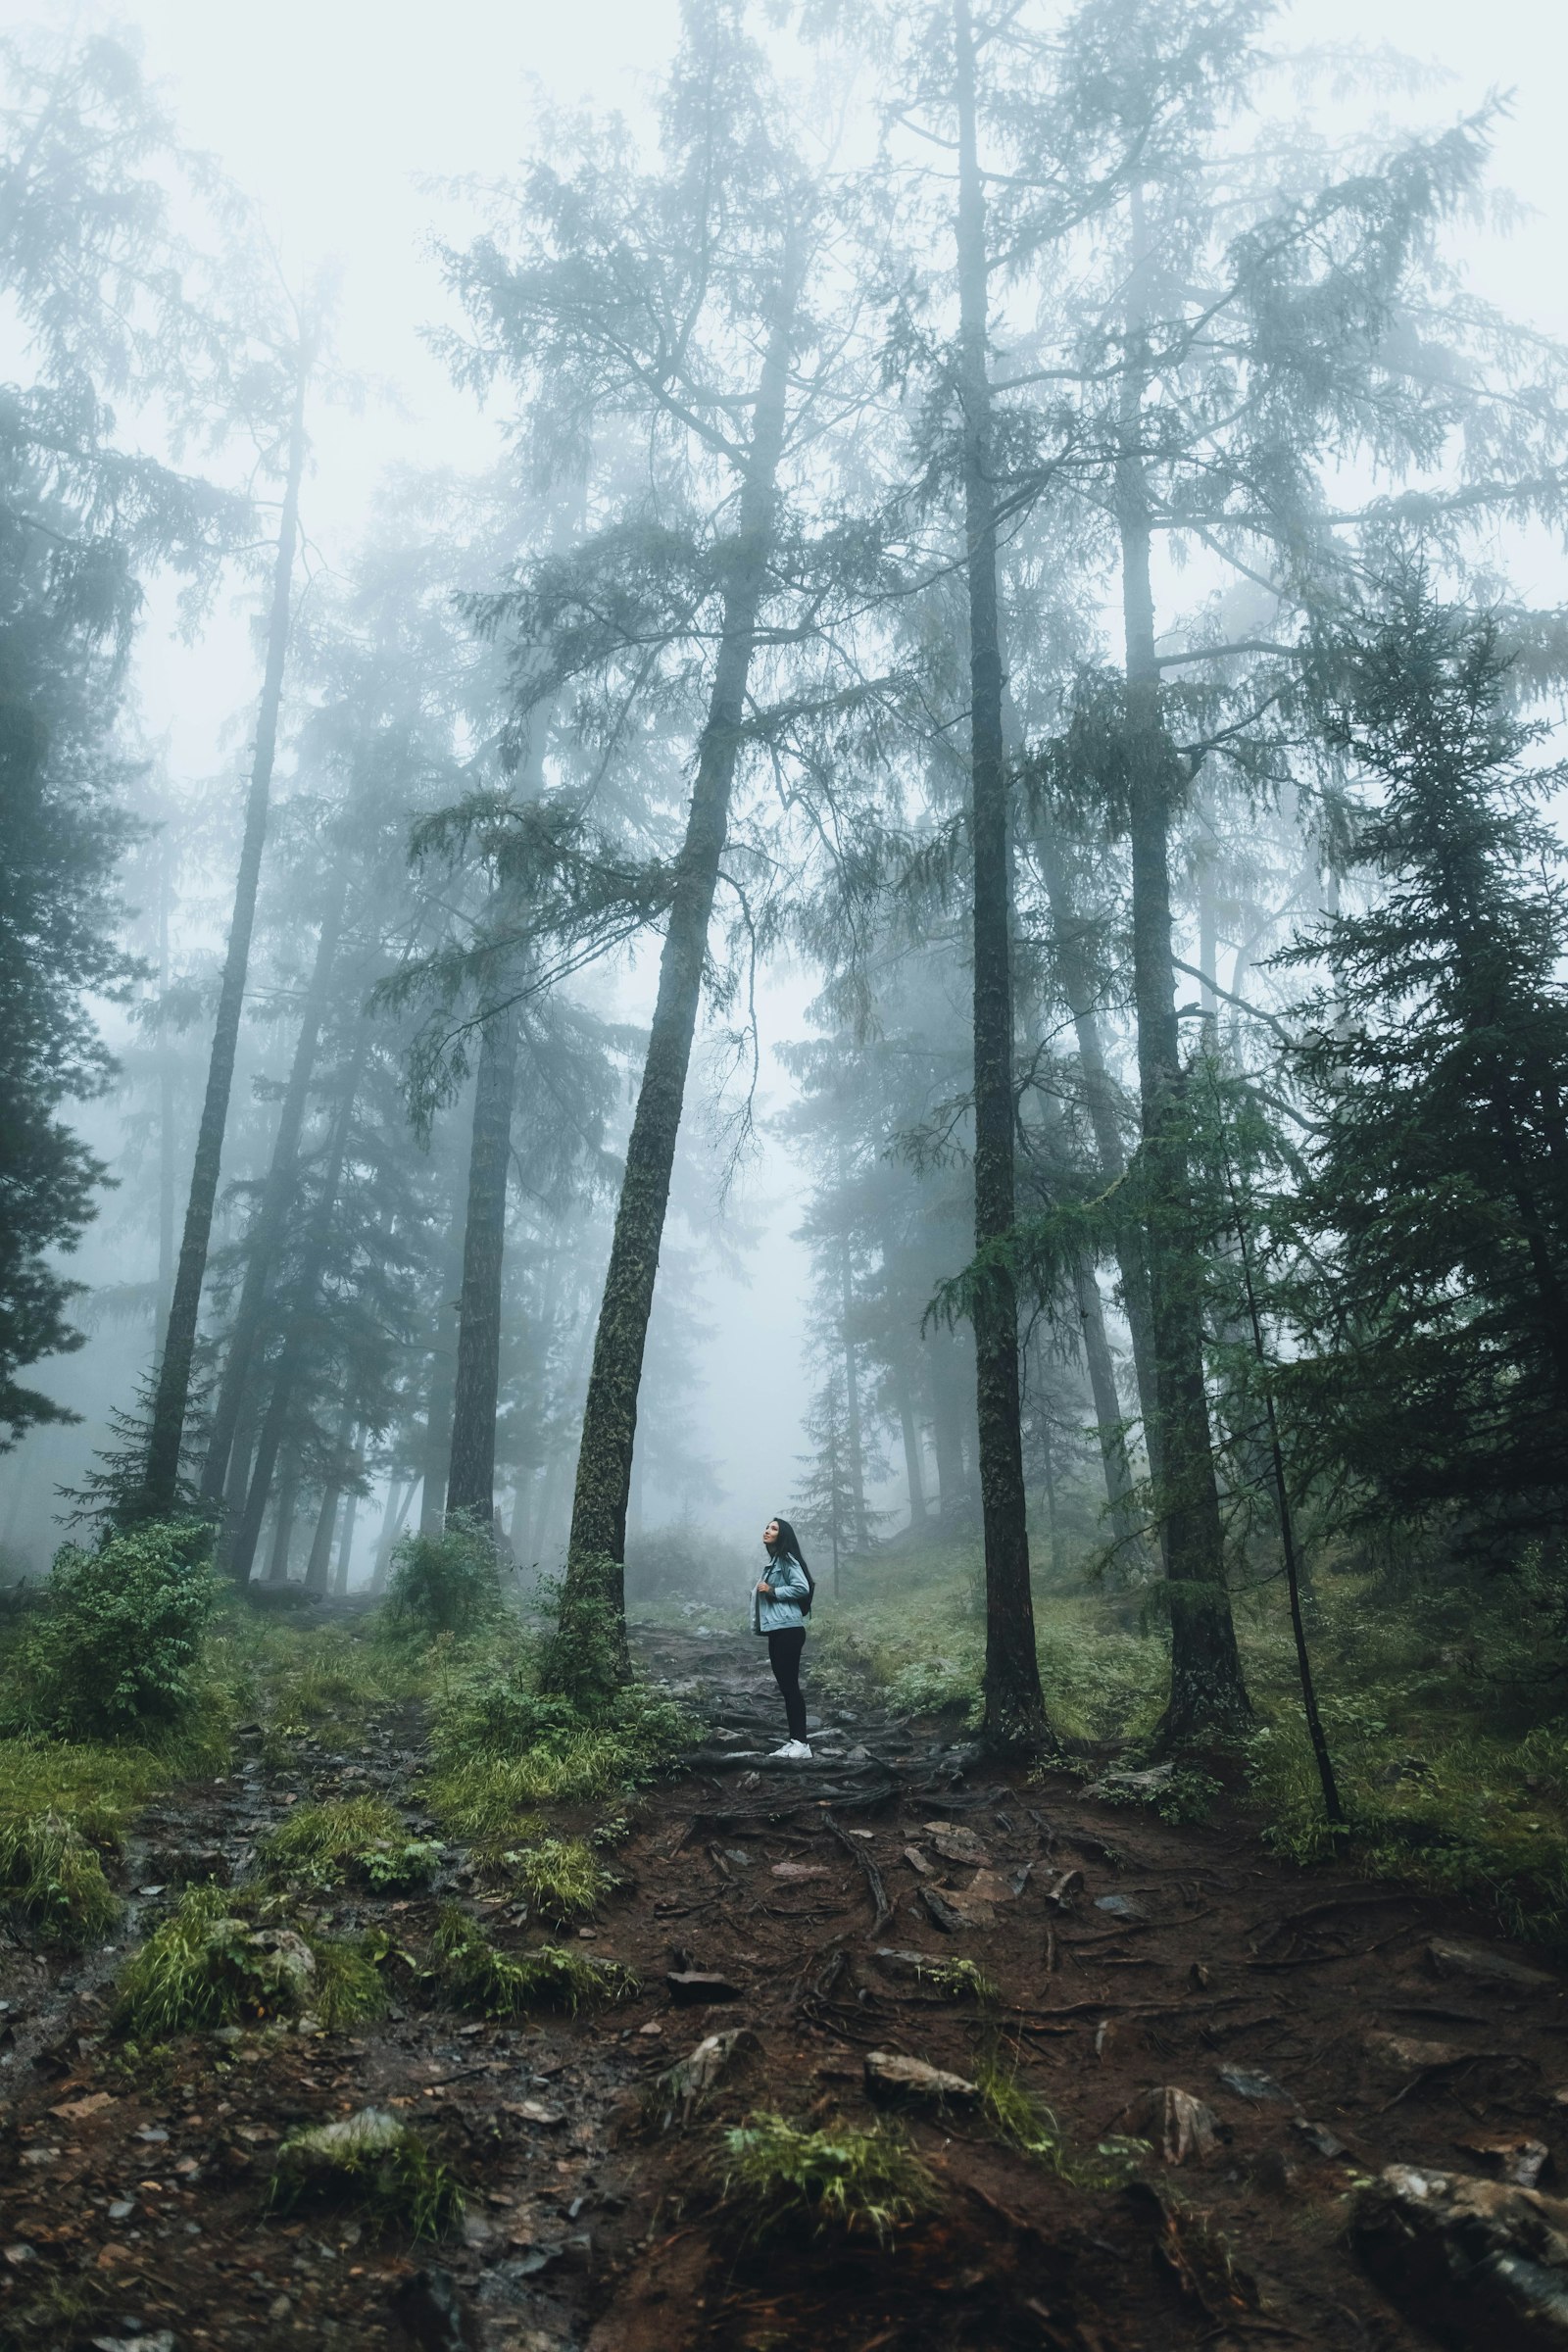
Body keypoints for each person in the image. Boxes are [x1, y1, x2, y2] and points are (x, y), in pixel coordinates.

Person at [754, 1514, 813, 1759]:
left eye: (774, 1528)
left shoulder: (787, 1559)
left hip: (789, 1629)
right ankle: (795, 1741)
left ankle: (802, 1744)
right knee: (786, 1687)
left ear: (783, 1535)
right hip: (778, 1629)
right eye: (767, 1526)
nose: (767, 1530)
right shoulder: (775, 1561)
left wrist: (773, 1590)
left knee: (790, 1687)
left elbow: (803, 1587)